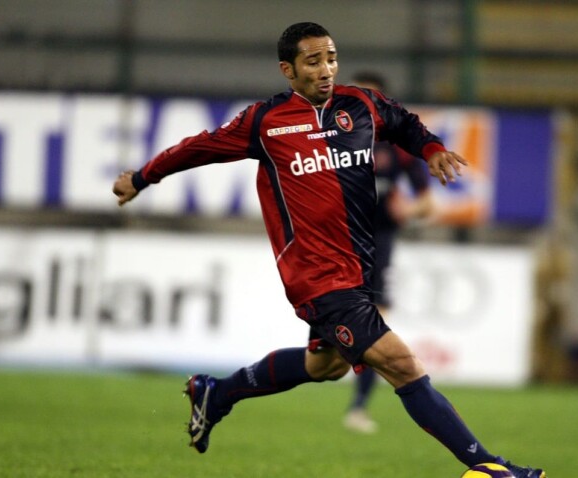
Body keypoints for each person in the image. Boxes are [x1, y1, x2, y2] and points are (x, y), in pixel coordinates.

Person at [112, 22, 546, 478]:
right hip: (317, 277)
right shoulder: (265, 121)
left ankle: (216, 393)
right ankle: (491, 468)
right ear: (288, 70)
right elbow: (198, 148)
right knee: (403, 365)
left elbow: (405, 123)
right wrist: (142, 177)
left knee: (325, 366)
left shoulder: (361, 105)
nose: (326, 69)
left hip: (357, 270)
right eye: (313, 61)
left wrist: (432, 148)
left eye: (332, 58)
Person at [342, 70, 434, 434]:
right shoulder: (332, 140)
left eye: (371, 97)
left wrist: (407, 210)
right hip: (339, 242)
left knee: (374, 326)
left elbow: (427, 204)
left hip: (379, 243)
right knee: (329, 353)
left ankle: (358, 407)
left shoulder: (397, 147)